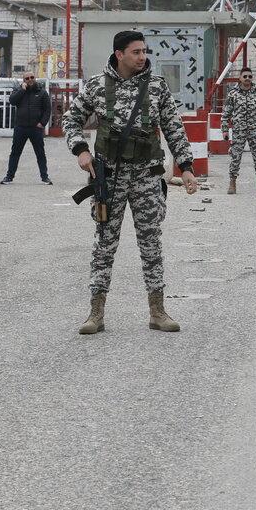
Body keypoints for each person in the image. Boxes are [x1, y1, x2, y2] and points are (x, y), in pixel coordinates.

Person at [63, 29, 200, 335]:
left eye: (144, 51)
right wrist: (81, 149)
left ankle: (158, 311)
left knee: (151, 244)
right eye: (136, 52)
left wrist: (187, 167)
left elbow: (174, 128)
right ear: (119, 54)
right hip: (108, 178)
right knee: (104, 245)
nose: (143, 57)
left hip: (147, 177)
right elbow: (70, 120)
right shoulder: (97, 86)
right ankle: (95, 313)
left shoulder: (156, 87)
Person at [223, 67, 256, 195]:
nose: (247, 79)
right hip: (239, 131)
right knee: (235, 158)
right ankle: (232, 184)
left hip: (254, 131)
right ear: (240, 78)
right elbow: (226, 114)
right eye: (245, 76)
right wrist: (225, 130)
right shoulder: (233, 94)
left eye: (250, 76)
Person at [1, 71, 52, 185]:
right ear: (24, 80)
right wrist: (22, 90)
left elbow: (47, 109)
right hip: (21, 127)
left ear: (35, 78)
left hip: (36, 128)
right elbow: (12, 101)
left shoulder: (42, 92)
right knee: (15, 153)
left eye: (32, 77)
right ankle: (9, 177)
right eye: (27, 78)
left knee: (40, 153)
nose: (30, 79)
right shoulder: (19, 91)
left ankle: (45, 177)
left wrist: (42, 123)